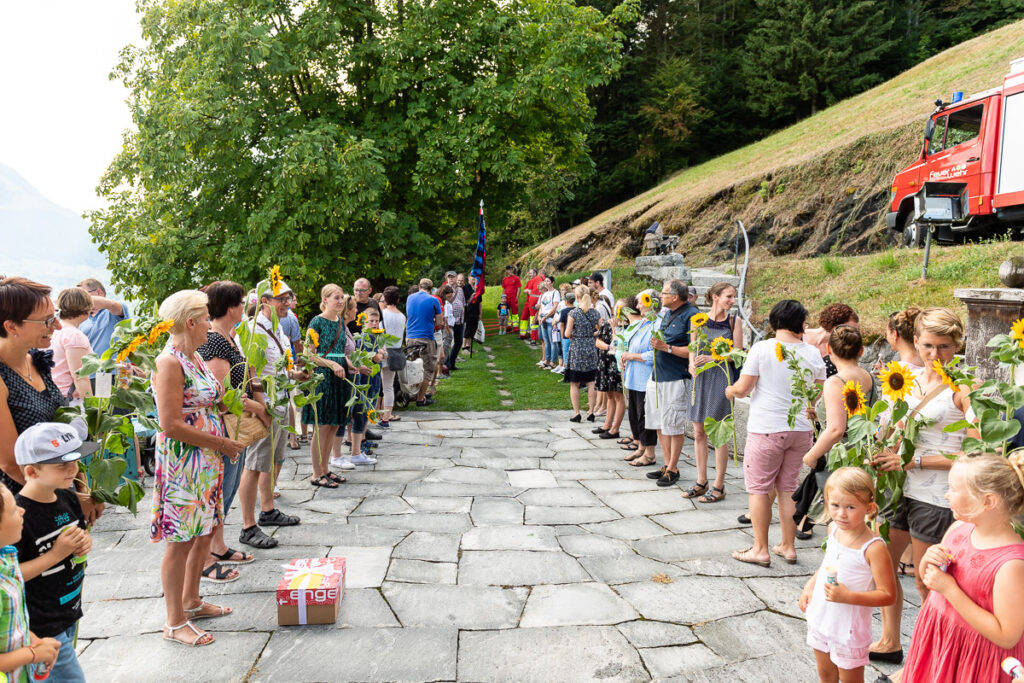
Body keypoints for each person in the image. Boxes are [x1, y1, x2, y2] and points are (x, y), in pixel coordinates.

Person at [869, 307, 977, 664]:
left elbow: (977, 453)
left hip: (936, 496)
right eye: (929, 345)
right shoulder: (909, 378)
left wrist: (914, 461)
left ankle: (929, 661)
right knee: (883, 567)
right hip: (898, 488)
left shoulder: (964, 389)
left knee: (926, 581)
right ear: (915, 341)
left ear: (957, 345)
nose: (936, 355)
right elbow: (893, 425)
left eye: (945, 346)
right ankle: (890, 641)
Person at [150, 289, 244, 647]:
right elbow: (169, 423)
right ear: (190, 322)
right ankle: (174, 621)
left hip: (205, 460)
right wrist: (221, 442)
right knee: (180, 539)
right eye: (205, 317)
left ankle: (191, 600)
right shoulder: (170, 361)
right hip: (183, 463)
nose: (210, 322)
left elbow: (210, 400)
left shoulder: (195, 357)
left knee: (204, 530)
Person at [897, 453, 1024, 682]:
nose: (947, 495)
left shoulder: (1011, 565)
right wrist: (928, 560)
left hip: (975, 660)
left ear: (988, 501)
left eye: (953, 489)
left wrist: (949, 590)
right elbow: (932, 580)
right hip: (939, 639)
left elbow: (1007, 636)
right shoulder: (959, 529)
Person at [726, 299, 825, 567]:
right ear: (801, 324)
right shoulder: (813, 353)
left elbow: (745, 388)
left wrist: (731, 390)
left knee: (758, 489)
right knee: (788, 488)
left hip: (767, 429)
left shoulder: (762, 348)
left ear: (774, 322)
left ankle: (760, 548)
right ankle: (788, 546)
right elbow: (817, 393)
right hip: (801, 431)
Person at [13, 422, 98, 682]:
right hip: (40, 624)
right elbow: (9, 575)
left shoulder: (67, 497)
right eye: (62, 464)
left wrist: (83, 543)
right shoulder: (17, 518)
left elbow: (78, 541)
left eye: (75, 460)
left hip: (68, 609)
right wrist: (55, 555)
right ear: (31, 471)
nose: (73, 469)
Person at [798, 468, 898, 683]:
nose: (841, 514)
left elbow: (888, 595)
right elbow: (828, 563)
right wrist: (810, 585)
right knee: (825, 674)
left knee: (850, 678)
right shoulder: (834, 529)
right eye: (835, 505)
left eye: (851, 507)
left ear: (868, 508)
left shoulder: (874, 548)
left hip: (848, 629)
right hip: (822, 617)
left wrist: (848, 596)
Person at [197, 281, 267, 577]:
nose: (244, 307)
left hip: (234, 426)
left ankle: (219, 545)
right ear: (230, 308)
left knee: (228, 488)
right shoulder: (213, 341)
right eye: (241, 302)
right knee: (220, 491)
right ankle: (206, 558)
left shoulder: (229, 338)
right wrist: (258, 408)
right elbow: (224, 395)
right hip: (224, 429)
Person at [237, 284, 302, 550]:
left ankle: (268, 509)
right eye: (282, 299)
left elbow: (282, 366)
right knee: (254, 464)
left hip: (282, 399)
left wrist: (296, 374)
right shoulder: (253, 330)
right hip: (265, 403)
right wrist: (260, 406)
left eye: (288, 298)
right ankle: (247, 525)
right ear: (265, 301)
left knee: (273, 459)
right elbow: (251, 373)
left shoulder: (279, 328)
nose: (288, 303)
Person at [0, 278, 71, 499]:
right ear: (11, 326)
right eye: (47, 321)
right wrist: (63, 499)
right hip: (24, 502)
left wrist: (81, 489)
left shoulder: (37, 361)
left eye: (55, 316)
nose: (57, 326)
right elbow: (10, 463)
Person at [685, 282, 744, 504]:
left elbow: (737, 354)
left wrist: (714, 358)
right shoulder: (697, 320)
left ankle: (719, 485)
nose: (732, 300)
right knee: (698, 430)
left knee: (719, 432)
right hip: (701, 378)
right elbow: (692, 348)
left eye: (734, 297)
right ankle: (702, 481)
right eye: (729, 296)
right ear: (715, 297)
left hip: (722, 378)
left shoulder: (733, 321)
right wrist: (692, 365)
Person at [0, 482, 61, 681]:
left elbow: (13, 624)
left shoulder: (6, 559)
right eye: (12, 510)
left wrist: (35, 641)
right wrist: (33, 654)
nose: (22, 510)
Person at [799, 326, 874, 478]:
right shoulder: (867, 376)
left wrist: (811, 456)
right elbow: (854, 416)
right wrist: (821, 415)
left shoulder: (835, 382)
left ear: (828, 348)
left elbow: (836, 430)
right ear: (861, 351)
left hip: (840, 457)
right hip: (863, 452)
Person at [645, 279, 699, 488]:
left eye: (664, 293)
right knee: (659, 422)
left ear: (675, 296)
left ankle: (674, 468)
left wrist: (666, 347)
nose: (660, 295)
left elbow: (693, 349)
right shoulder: (668, 312)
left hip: (676, 377)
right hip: (658, 375)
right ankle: (667, 464)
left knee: (673, 425)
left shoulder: (692, 315)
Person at [301, 285, 351, 487]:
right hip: (323, 377)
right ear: (325, 299)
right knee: (321, 427)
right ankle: (316, 473)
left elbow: (340, 352)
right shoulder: (317, 321)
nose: (340, 301)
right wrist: (332, 364)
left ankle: (325, 469)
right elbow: (309, 354)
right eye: (336, 298)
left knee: (333, 425)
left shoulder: (340, 321)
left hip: (339, 376)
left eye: (342, 298)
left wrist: (351, 365)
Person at [620, 293, 657, 467]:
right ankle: (641, 447)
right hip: (633, 377)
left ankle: (649, 453)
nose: (638, 306)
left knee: (645, 416)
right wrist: (625, 356)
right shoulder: (642, 323)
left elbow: (654, 354)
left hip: (645, 378)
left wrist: (632, 356)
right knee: (634, 414)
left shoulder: (656, 325)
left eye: (642, 303)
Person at [49, 288, 94, 402]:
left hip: (52, 394)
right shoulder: (75, 336)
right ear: (86, 309)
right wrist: (91, 407)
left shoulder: (53, 331)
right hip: (69, 400)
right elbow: (80, 376)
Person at [564, 285, 600, 422]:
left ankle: (577, 412)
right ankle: (591, 412)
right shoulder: (595, 313)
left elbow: (567, 334)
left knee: (575, 382)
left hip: (577, 349)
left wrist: (576, 334)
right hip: (591, 348)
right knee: (591, 381)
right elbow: (601, 330)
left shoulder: (573, 313)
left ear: (577, 297)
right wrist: (591, 334)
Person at [406, 279, 442, 406]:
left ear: (419, 286)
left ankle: (410, 393)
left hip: (410, 337)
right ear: (431, 289)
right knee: (428, 368)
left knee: (411, 366)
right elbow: (439, 323)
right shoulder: (434, 300)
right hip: (426, 337)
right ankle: (420, 399)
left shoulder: (410, 298)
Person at [593, 299, 626, 440]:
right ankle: (607, 424)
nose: (617, 310)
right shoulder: (607, 323)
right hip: (606, 362)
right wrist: (607, 347)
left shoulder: (626, 327)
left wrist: (613, 334)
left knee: (618, 395)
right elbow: (598, 341)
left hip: (617, 365)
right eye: (616, 307)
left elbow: (619, 344)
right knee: (609, 395)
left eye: (621, 308)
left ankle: (615, 428)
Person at [76, 278, 130, 358]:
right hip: (91, 369)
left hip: (115, 368)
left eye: (83, 295)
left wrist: (73, 300)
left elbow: (112, 304)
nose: (80, 300)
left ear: (99, 292)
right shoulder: (82, 319)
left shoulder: (114, 310)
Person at [804, 303, 859, 377]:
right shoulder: (801, 336)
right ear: (834, 324)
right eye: (848, 329)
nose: (852, 333)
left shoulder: (842, 349)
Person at [379, 286, 406, 425]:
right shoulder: (402, 316)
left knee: (377, 386)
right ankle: (386, 417)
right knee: (388, 387)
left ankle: (377, 413)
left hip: (382, 351)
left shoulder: (382, 314)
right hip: (395, 352)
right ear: (398, 299)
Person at [537, 278, 561, 370]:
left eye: (548, 281)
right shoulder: (545, 294)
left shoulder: (555, 293)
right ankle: (546, 360)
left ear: (552, 282)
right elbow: (542, 306)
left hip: (550, 319)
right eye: (545, 281)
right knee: (546, 340)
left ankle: (552, 361)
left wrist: (546, 316)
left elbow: (555, 306)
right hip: (542, 318)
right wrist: (539, 316)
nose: (546, 283)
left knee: (552, 341)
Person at [447, 272, 465, 372]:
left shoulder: (460, 290)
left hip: (459, 319)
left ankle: (452, 363)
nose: (451, 279)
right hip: (449, 320)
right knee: (448, 342)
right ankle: (446, 364)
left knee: (459, 342)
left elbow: (463, 304)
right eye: (449, 277)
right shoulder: (445, 289)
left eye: (453, 277)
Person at [462, 274, 482, 352]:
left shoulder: (478, 288)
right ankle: (464, 347)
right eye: (472, 276)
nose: (474, 278)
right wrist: (471, 297)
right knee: (468, 329)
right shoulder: (465, 288)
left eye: (475, 277)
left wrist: (480, 314)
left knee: (473, 329)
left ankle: (468, 346)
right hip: (468, 312)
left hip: (475, 312)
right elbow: (465, 302)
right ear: (468, 278)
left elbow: (480, 302)